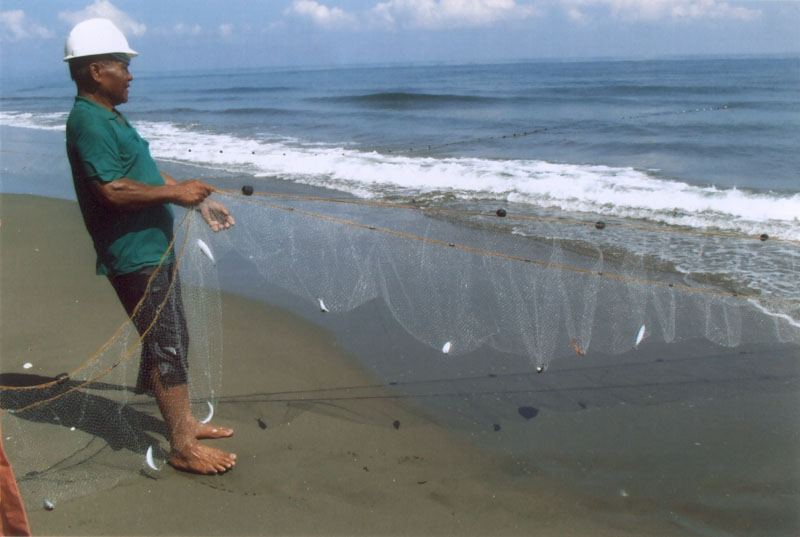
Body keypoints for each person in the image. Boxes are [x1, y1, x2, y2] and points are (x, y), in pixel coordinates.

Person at [63, 18, 236, 475]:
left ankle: (185, 422)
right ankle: (181, 447)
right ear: (96, 71)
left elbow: (144, 171)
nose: (130, 75)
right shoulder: (89, 122)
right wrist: (178, 193)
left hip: (153, 248)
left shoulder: (108, 116)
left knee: (172, 336)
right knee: (165, 344)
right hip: (133, 254)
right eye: (122, 66)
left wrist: (196, 201)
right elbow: (111, 190)